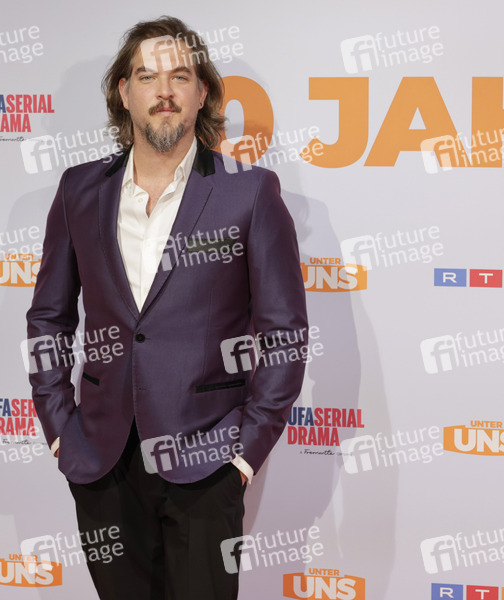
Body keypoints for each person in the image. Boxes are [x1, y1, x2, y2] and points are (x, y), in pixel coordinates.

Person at [26, 15, 307, 599]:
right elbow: (49, 318)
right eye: (147, 76)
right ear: (123, 92)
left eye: (180, 76)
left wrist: (245, 456)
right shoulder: (79, 191)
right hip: (101, 462)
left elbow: (284, 335)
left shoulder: (250, 191)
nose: (164, 91)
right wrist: (59, 430)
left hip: (208, 462)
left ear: (201, 93)